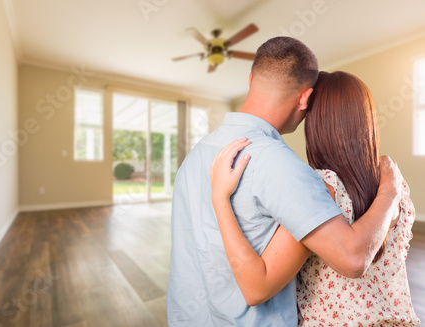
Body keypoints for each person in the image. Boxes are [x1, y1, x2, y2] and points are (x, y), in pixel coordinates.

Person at [167, 36, 403, 326]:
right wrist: (390, 190)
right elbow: (353, 259)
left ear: (252, 78)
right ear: (305, 98)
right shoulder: (280, 164)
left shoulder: (197, 154)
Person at [210, 71, 420, 326]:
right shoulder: (394, 182)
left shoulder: (321, 188)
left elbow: (257, 287)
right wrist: (390, 191)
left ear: (317, 124)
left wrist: (220, 198)